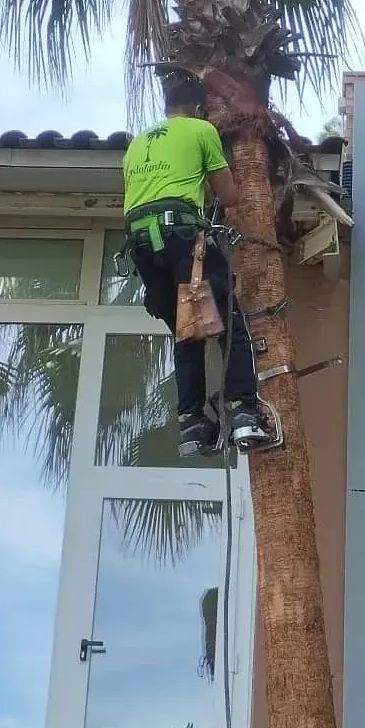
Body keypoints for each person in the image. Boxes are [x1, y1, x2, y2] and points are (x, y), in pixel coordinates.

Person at [122, 73, 269, 456]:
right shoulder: (202, 131)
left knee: (187, 330)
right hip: (182, 238)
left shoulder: (137, 144)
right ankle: (243, 413)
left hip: (141, 247)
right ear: (199, 107)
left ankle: (192, 424)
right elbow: (231, 196)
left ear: (167, 107)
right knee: (230, 325)